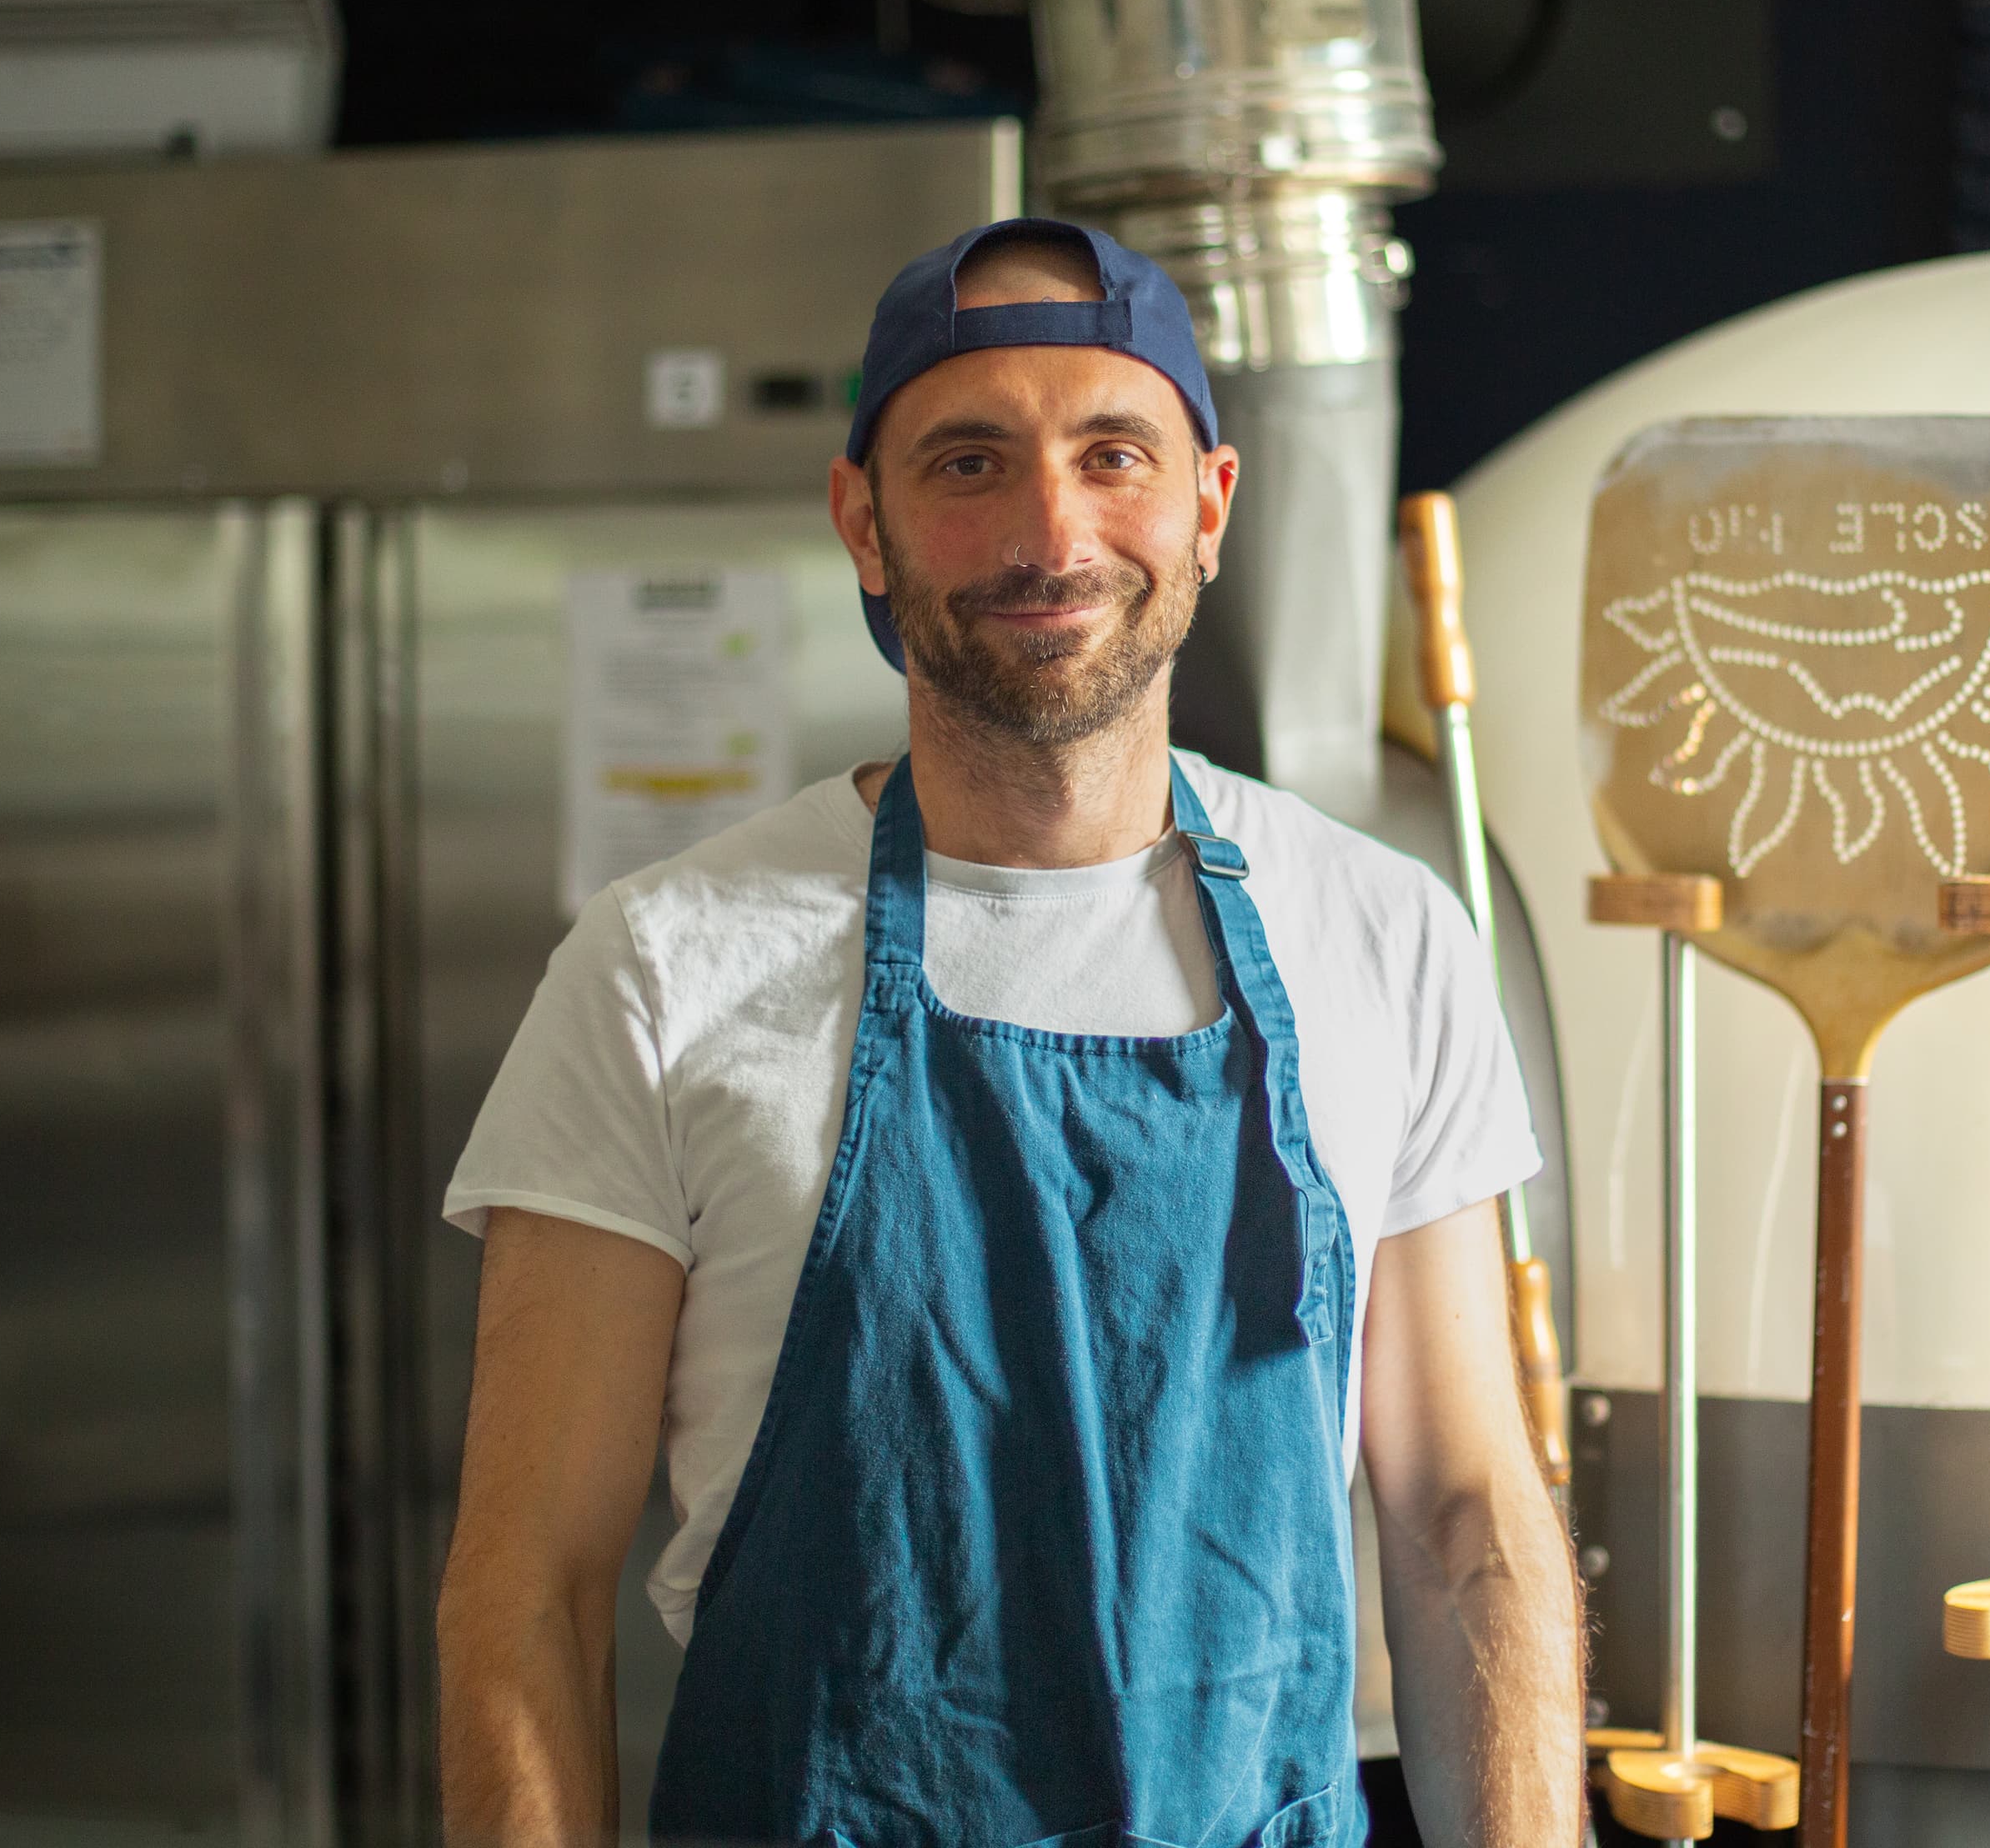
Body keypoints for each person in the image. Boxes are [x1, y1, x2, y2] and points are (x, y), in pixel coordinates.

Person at [435, 217, 1581, 1848]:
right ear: (864, 522)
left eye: (1112, 452)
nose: (1049, 529)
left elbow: (1471, 1522)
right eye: (969, 461)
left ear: (1210, 505)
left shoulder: (1385, 935)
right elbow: (524, 1591)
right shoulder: (660, 966)